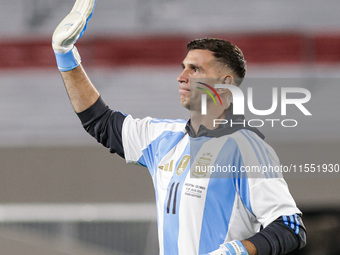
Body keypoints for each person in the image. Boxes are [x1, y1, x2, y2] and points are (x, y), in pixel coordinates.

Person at [52, 1, 307, 254]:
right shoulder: (163, 138)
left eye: (194, 69)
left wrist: (237, 251)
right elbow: (100, 121)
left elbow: (291, 227)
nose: (181, 77)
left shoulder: (246, 148)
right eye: (183, 67)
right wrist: (65, 55)